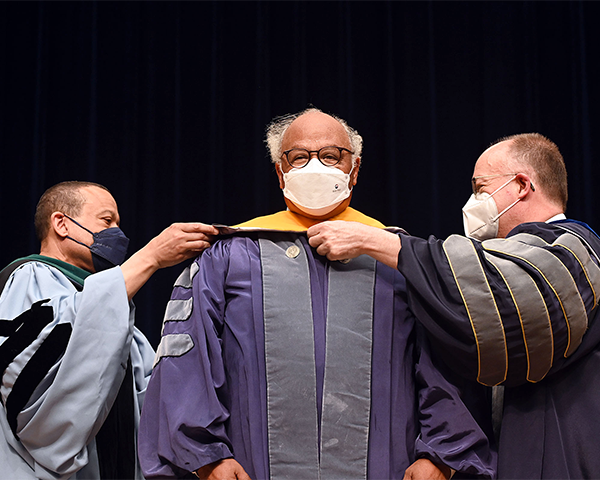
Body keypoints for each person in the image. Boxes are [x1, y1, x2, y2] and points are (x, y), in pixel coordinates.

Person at [138, 108, 496, 480]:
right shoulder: (227, 256)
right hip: (250, 465)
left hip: (388, 465)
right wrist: (206, 455)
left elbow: (444, 359)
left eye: (330, 156)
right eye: (300, 157)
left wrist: (441, 453)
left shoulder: (397, 256)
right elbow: (187, 356)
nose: (315, 166)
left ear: (354, 169)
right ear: (281, 171)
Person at [307, 133, 600, 479]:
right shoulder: (515, 257)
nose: (472, 201)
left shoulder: (576, 249)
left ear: (521, 184)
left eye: (480, 187)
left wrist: (377, 241)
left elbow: (503, 309)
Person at [0, 181, 218, 480]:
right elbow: (37, 387)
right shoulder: (29, 278)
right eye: (107, 221)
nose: (118, 233)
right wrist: (150, 257)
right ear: (61, 224)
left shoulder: (119, 321)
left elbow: (153, 406)